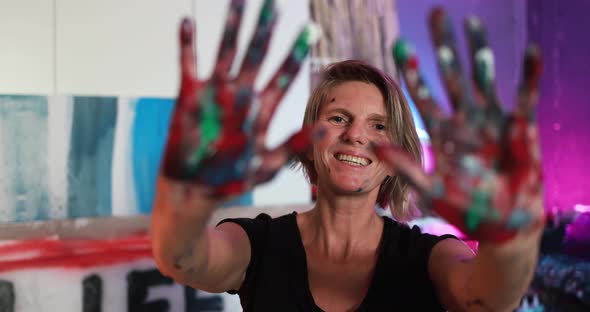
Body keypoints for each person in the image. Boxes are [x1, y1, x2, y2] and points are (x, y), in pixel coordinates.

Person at [152, 2, 544, 311]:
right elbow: (183, 260)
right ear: (309, 139)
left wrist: (512, 241)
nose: (356, 135)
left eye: (378, 126)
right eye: (339, 118)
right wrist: (185, 197)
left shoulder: (428, 256)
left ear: (398, 156)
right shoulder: (259, 243)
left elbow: (490, 300)